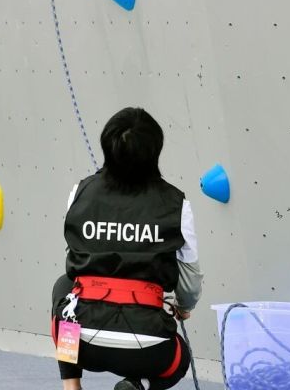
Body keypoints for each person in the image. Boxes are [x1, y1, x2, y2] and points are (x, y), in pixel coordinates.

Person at [50, 107, 202, 390]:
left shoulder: (80, 192)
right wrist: (183, 307)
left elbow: (75, 260)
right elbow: (190, 279)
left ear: (107, 147)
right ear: (155, 151)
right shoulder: (176, 204)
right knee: (180, 360)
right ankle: (138, 383)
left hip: (83, 345)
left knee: (63, 288)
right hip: (151, 349)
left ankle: (72, 386)